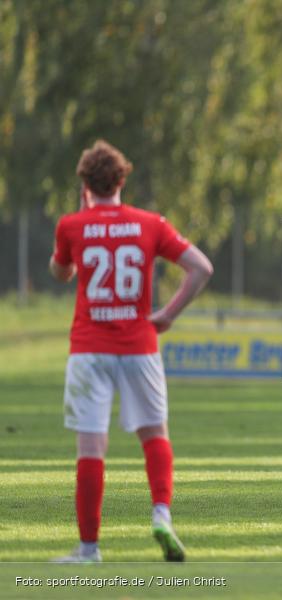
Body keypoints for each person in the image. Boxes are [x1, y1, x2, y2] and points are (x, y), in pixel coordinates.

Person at [49, 140, 214, 562]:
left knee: (91, 448)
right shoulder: (149, 224)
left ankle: (89, 549)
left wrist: (73, 242)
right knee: (154, 435)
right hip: (140, 346)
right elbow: (201, 268)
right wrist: (168, 314)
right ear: (122, 179)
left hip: (89, 349)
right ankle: (161, 513)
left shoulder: (72, 225)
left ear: (85, 183)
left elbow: (60, 271)